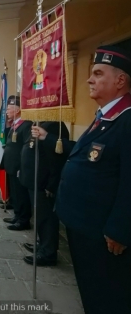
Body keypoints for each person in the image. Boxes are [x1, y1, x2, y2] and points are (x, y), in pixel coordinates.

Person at [33, 45, 131, 313]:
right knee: (91, 291)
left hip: (103, 234)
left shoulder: (126, 120)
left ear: (120, 81)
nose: (90, 79)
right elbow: (86, 153)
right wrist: (48, 139)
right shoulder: (104, 118)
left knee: (107, 296)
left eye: (98, 73)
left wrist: (120, 229)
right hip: (84, 226)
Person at [20, 121, 71, 267]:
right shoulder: (39, 122)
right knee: (40, 217)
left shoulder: (55, 126)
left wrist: (52, 183)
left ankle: (48, 253)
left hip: (44, 182)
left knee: (47, 218)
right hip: (34, 180)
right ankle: (42, 245)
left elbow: (57, 158)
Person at [1, 95, 33, 231]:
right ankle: (17, 215)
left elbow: (25, 148)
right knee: (15, 193)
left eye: (9, 108)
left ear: (18, 110)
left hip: (19, 166)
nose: (7, 111)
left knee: (21, 194)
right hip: (11, 165)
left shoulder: (26, 125)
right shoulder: (15, 124)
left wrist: (21, 167)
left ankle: (23, 220)